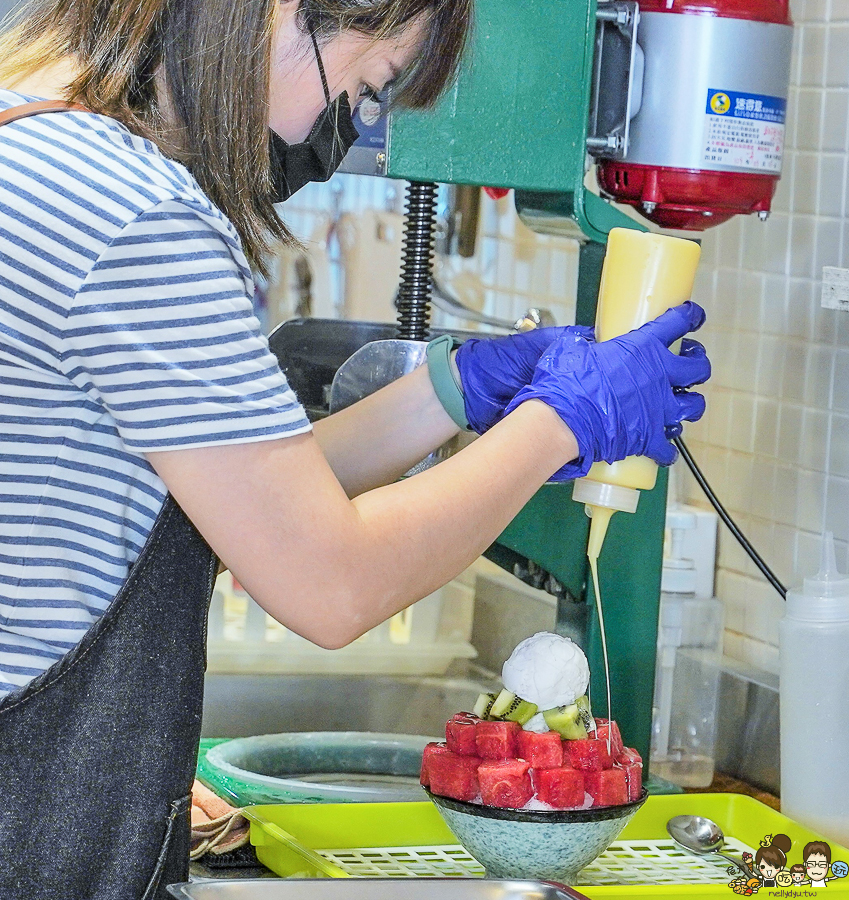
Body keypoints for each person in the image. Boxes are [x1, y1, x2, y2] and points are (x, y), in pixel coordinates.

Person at [0, 0, 711, 897]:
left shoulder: (35, 142)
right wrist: (562, 423)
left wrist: (450, 393)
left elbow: (232, 501)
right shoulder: (133, 216)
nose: (337, 135)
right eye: (368, 88)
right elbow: (326, 582)